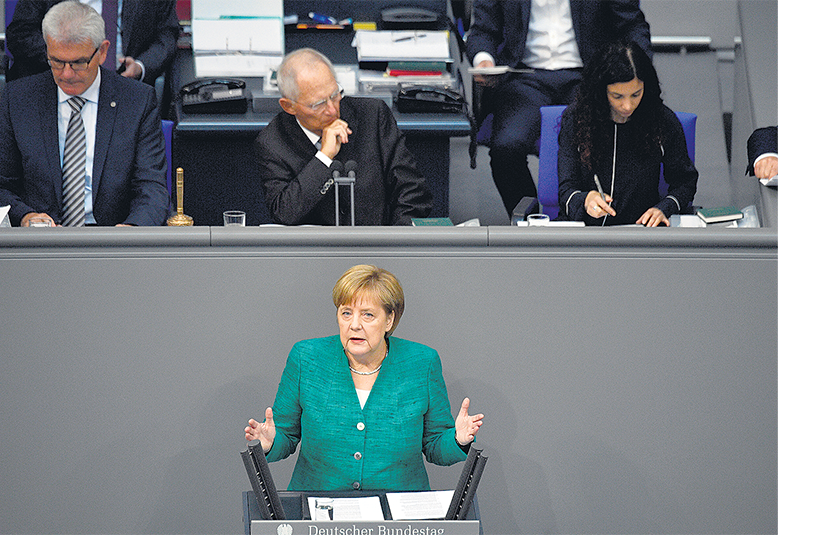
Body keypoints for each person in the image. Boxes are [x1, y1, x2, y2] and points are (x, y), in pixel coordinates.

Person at [244, 265, 484, 491]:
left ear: (389, 320)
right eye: (346, 313)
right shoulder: (306, 358)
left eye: (367, 315)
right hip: (319, 509)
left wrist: (457, 439)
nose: (354, 325)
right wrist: (269, 443)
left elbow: (434, 446)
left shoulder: (422, 362)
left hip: (398, 514)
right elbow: (285, 435)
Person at [0, 0, 169, 227]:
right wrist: (25, 216)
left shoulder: (137, 101)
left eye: (79, 63)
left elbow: (152, 189)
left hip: (111, 241)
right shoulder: (19, 99)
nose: (67, 74)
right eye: (57, 62)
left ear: (102, 52)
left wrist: (132, 229)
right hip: (42, 243)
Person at [467, 0, 653, 218]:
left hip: (588, 75)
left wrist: (639, 68)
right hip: (525, 77)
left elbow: (632, 24)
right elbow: (483, 30)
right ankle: (531, 220)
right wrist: (484, 60)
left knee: (596, 138)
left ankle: (588, 213)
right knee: (506, 147)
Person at [255, 49, 433, 225]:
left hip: (377, 247)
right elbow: (284, 212)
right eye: (318, 104)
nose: (332, 110)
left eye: (334, 94)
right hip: (317, 251)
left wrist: (396, 242)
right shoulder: (273, 142)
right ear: (289, 106)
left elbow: (412, 191)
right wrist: (324, 158)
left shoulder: (373, 116)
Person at [557, 42, 698, 227]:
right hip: (585, 231)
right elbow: (566, 190)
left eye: (636, 94)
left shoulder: (661, 120)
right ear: (601, 91)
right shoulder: (577, 119)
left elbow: (685, 182)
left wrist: (664, 208)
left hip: (640, 230)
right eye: (617, 96)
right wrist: (585, 199)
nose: (627, 106)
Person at [5, 0, 179, 86]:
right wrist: (66, 61)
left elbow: (167, 34)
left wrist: (141, 66)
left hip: (122, 85)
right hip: (53, 82)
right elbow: (21, 34)